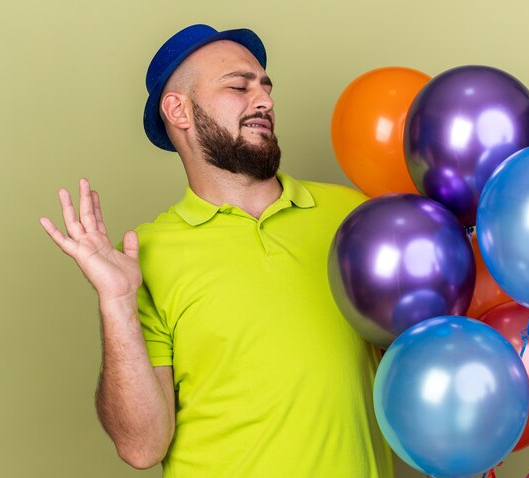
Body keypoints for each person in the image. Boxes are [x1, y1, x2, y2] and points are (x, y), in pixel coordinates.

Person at [40, 24, 393, 477]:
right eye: (238, 86)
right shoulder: (146, 254)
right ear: (179, 110)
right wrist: (118, 303)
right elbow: (142, 447)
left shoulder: (355, 216)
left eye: (265, 86)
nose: (264, 99)